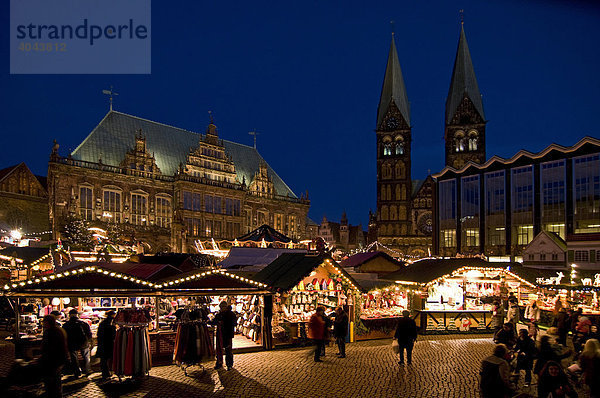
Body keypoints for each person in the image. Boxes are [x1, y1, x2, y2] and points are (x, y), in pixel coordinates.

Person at [40, 315, 69, 398]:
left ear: (47, 322)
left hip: (52, 359)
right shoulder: (60, 330)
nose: (43, 324)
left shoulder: (50, 332)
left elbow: (49, 346)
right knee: (56, 379)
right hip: (59, 358)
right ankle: (58, 394)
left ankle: (54, 394)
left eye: (44, 322)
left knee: (51, 380)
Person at [62, 308, 92, 377]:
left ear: (69, 315)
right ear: (77, 315)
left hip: (72, 343)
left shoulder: (66, 325)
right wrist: (89, 341)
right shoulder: (83, 323)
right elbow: (89, 333)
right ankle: (87, 370)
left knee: (74, 358)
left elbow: (64, 335)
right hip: (83, 342)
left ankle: (77, 372)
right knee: (86, 357)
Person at [212, 302, 237, 370]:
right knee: (219, 350)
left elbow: (234, 323)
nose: (222, 308)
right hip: (220, 334)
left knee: (228, 350)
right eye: (221, 307)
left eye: (223, 307)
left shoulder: (231, 314)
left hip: (227, 334)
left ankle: (229, 364)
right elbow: (214, 322)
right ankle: (219, 363)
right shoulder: (219, 314)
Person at [96, 310, 116, 379]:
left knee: (103, 359)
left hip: (103, 343)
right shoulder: (112, 324)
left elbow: (99, 334)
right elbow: (114, 335)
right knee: (110, 358)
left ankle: (105, 373)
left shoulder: (102, 323)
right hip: (109, 343)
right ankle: (110, 372)